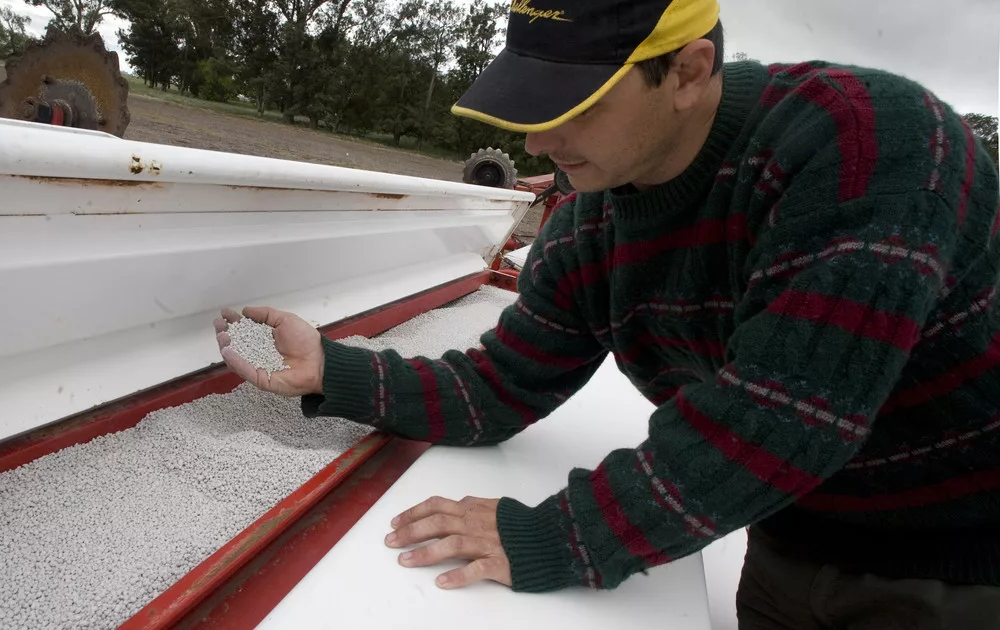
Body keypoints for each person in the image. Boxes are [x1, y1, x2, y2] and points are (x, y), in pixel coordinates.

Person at [214, 0, 1000, 627]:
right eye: (531, 100)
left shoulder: (869, 145)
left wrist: (559, 536)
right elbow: (498, 385)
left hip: (955, 566)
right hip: (784, 540)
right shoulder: (596, 218)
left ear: (688, 70)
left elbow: (781, 417)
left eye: (576, 105)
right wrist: (338, 368)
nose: (538, 136)